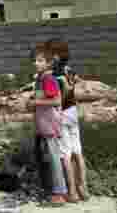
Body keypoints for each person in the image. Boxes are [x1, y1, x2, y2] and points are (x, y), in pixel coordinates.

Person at [31, 47, 68, 206]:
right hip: (43, 125)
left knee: (53, 159)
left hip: (50, 125)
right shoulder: (41, 79)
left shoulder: (48, 79)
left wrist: (35, 102)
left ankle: (59, 194)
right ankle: (50, 191)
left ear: (48, 64)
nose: (36, 63)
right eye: (35, 60)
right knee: (46, 159)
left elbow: (56, 101)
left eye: (40, 61)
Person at [53, 55, 88, 201]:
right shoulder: (69, 72)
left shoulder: (56, 76)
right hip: (73, 111)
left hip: (63, 114)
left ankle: (72, 192)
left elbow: (57, 99)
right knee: (78, 152)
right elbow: (80, 81)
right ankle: (83, 188)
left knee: (65, 155)